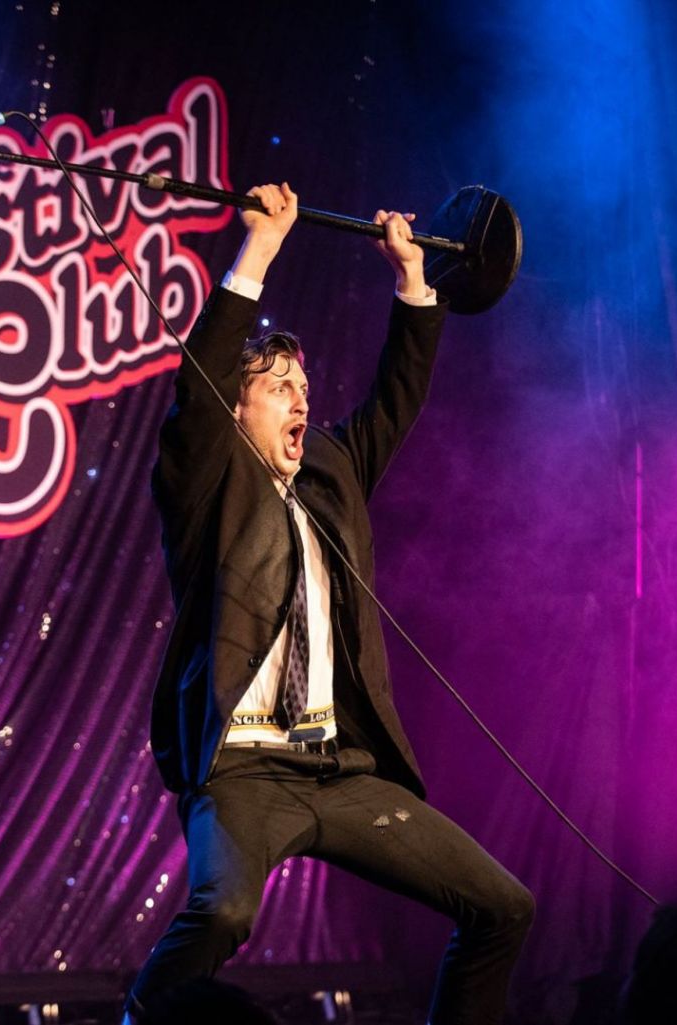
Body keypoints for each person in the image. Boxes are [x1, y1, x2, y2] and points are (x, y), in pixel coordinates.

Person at [129, 182, 534, 1025]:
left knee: (503, 907)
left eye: (303, 385)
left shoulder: (331, 476)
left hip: (338, 769)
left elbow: (394, 401)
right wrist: (261, 248)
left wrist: (412, 280)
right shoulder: (205, 487)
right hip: (243, 772)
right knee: (224, 910)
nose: (301, 398)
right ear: (237, 409)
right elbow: (199, 391)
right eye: (279, 386)